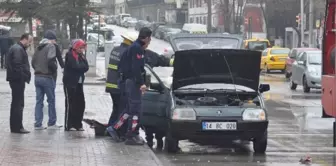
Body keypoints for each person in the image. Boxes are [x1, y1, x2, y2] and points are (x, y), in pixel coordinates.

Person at [107, 27, 152, 145]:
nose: (150, 41)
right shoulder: (137, 49)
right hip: (133, 82)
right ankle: (132, 135)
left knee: (129, 109)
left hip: (128, 81)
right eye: (150, 39)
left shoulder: (133, 47)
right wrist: (141, 83)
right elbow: (136, 68)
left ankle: (115, 128)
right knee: (136, 110)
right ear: (147, 38)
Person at [31, 30, 63, 130]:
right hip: (47, 77)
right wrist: (54, 69)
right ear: (51, 40)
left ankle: (38, 123)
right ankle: (52, 122)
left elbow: (33, 62)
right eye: (54, 39)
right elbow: (51, 60)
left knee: (39, 101)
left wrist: (38, 69)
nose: (55, 42)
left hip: (37, 77)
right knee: (51, 100)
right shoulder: (51, 46)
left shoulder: (38, 47)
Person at [6, 33, 33, 134]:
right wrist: (23, 76)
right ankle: (18, 127)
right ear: (24, 39)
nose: (29, 44)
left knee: (16, 103)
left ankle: (15, 126)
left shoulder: (16, 48)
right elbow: (18, 65)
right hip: (17, 80)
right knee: (18, 103)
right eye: (29, 41)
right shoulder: (18, 49)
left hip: (15, 79)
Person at [63, 39, 89, 131]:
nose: (82, 50)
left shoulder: (81, 56)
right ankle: (69, 124)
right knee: (71, 104)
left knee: (80, 103)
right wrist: (80, 67)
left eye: (83, 48)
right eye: (80, 48)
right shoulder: (70, 55)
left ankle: (78, 123)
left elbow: (86, 67)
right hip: (70, 83)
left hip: (79, 83)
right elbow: (75, 66)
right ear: (76, 47)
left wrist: (81, 67)